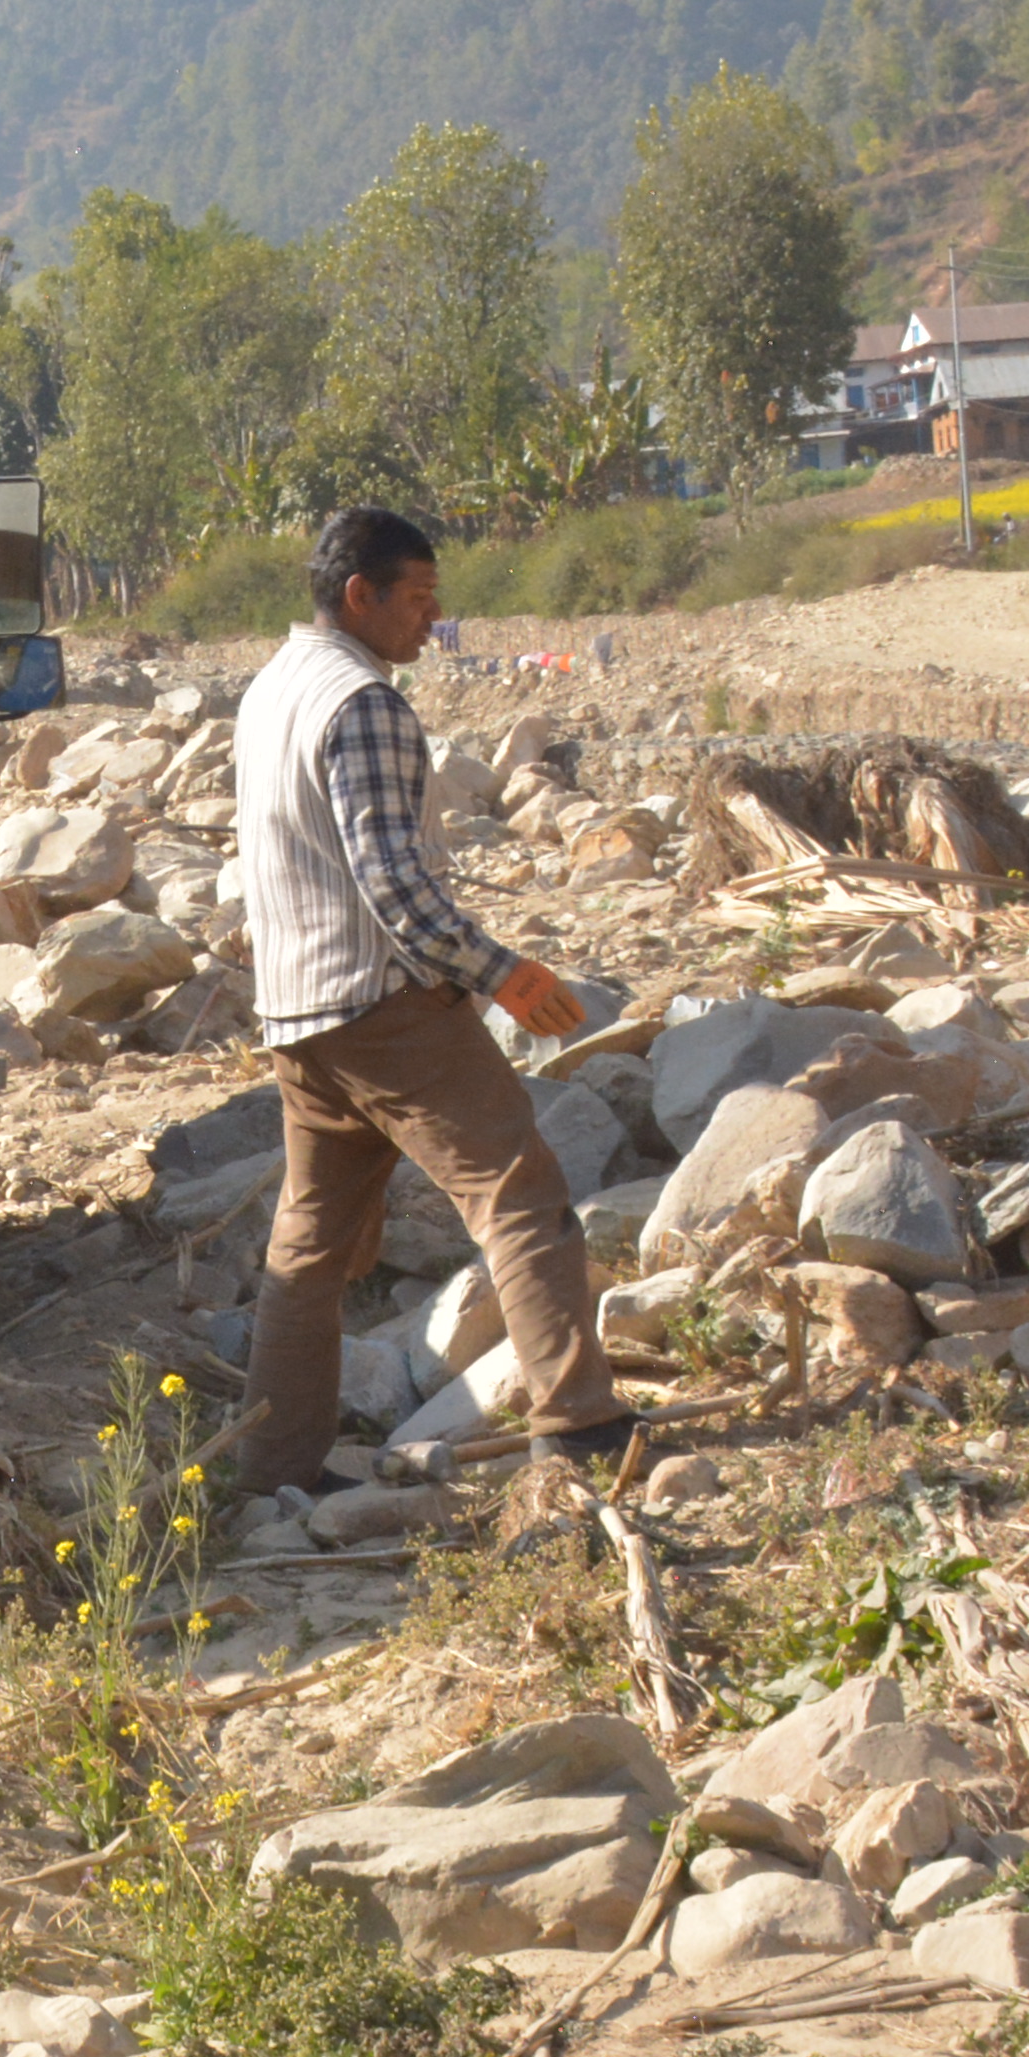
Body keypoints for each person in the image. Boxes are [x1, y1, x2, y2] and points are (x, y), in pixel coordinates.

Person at [227, 505, 636, 1484]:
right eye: (417, 599)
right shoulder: (361, 702)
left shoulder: (272, 687)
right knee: (520, 1189)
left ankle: (273, 1471)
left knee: (310, 1248)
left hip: (296, 1010)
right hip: (382, 1004)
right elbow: (395, 886)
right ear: (359, 595)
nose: (431, 619)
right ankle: (578, 1426)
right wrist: (503, 974)